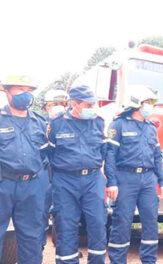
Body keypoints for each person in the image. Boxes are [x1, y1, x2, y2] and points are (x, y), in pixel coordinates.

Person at [105, 86, 163, 264]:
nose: (150, 107)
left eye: (151, 103)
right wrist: (112, 182)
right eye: (147, 103)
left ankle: (149, 260)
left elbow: (157, 156)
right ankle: (117, 261)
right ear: (136, 104)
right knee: (122, 221)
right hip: (125, 178)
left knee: (150, 221)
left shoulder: (150, 128)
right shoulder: (118, 124)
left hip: (148, 179)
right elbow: (110, 156)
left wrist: (161, 181)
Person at [47, 85, 107, 264]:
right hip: (65, 180)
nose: (91, 108)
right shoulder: (57, 125)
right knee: (66, 226)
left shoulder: (99, 122)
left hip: (93, 179)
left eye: (93, 104)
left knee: (98, 223)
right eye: (87, 105)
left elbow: (103, 151)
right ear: (74, 103)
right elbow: (49, 154)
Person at [0, 75, 49, 264]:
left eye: (28, 91)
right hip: (3, 183)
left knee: (32, 238)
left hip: (32, 186)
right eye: (20, 89)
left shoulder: (40, 123)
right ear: (7, 91)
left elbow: (47, 156)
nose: (25, 95)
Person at [41, 89, 70, 249]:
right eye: (55, 104)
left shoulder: (72, 125)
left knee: (64, 214)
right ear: (46, 107)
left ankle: (62, 247)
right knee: (40, 214)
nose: (59, 107)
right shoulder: (40, 124)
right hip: (43, 176)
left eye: (63, 104)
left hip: (63, 177)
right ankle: (39, 248)